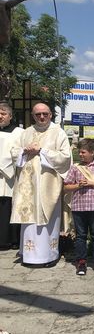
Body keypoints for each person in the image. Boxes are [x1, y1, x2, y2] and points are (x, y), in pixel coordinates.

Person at [11, 103, 71, 266]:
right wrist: (24, 150)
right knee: (30, 221)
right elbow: (14, 152)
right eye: (38, 114)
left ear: (51, 114)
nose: (42, 117)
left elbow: (65, 157)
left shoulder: (59, 133)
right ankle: (29, 255)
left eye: (45, 113)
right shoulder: (26, 133)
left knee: (48, 220)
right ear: (33, 115)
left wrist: (42, 151)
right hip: (28, 186)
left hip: (48, 185)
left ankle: (48, 256)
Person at [63, 139, 94, 276]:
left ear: (92, 152)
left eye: (83, 152)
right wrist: (78, 185)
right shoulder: (75, 167)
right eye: (79, 152)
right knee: (80, 236)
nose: (80, 154)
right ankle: (81, 262)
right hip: (78, 207)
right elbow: (66, 187)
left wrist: (91, 183)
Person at [0, 102, 23, 250]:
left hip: (9, 176)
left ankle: (10, 240)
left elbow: (20, 153)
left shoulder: (19, 133)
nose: (0, 116)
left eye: (3, 114)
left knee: (8, 207)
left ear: (10, 116)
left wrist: (2, 166)